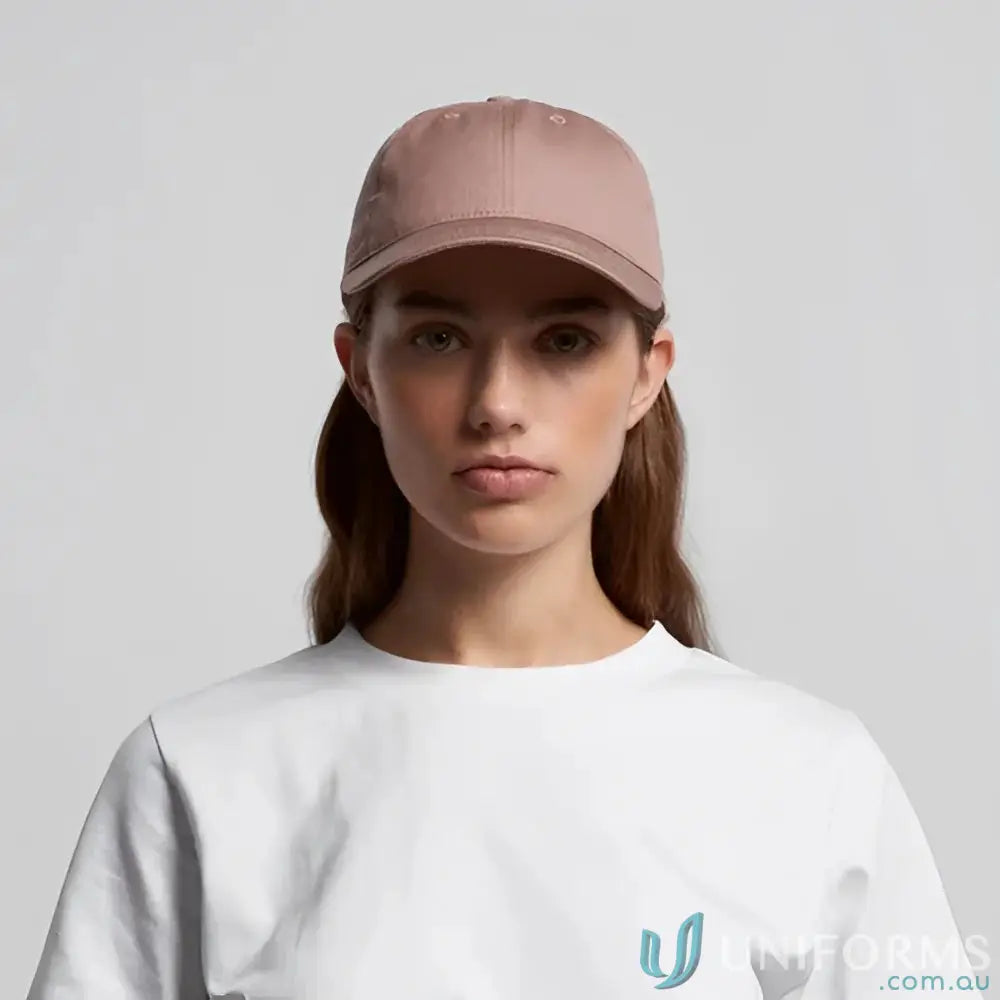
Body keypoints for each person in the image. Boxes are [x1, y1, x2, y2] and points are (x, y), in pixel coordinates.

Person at [26, 96, 986, 999]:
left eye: (564, 341)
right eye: (440, 338)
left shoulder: (809, 776)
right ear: (360, 371)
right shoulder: (199, 769)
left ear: (648, 376)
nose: (496, 405)